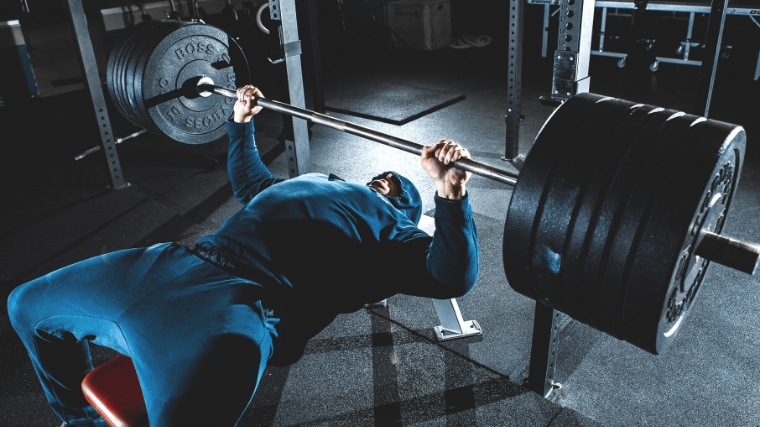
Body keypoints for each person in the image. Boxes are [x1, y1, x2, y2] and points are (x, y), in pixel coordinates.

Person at [8, 85, 479, 427]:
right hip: (174, 262)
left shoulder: (392, 232)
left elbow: (449, 277)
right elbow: (250, 184)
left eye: (392, 186)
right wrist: (241, 123)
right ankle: (78, 418)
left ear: (403, 208)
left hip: (243, 306)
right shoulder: (314, 181)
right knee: (27, 305)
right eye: (380, 177)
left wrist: (450, 194)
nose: (381, 182)